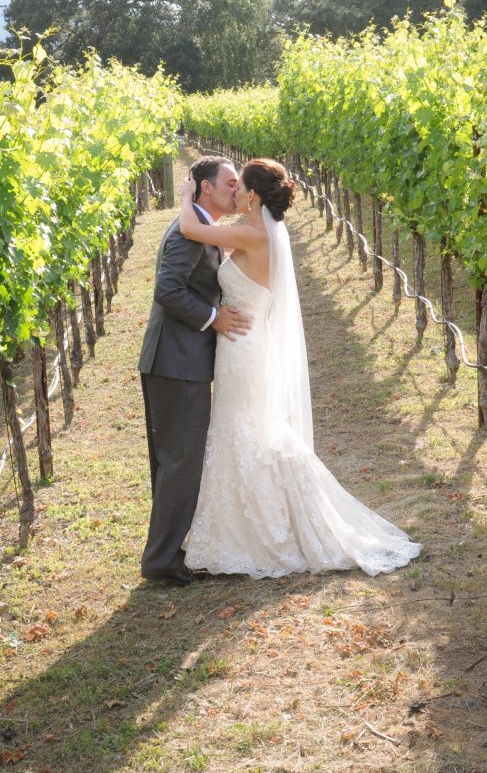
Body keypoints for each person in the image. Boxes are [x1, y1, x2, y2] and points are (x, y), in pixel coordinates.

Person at [178, 157, 421, 579]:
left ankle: (260, 530)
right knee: (245, 431)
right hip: (243, 344)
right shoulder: (262, 233)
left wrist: (185, 195)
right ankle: (244, 524)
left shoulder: (254, 235)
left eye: (237, 188)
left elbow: (191, 229)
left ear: (251, 195)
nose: (232, 192)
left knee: (245, 431)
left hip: (243, 349)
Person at [137, 156, 251, 586]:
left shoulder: (201, 225)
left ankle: (166, 551)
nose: (235, 189)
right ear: (206, 188)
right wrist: (212, 317)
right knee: (180, 461)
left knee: (177, 461)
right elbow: (167, 290)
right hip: (175, 361)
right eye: (229, 182)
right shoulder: (188, 232)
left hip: (179, 360)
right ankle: (162, 560)